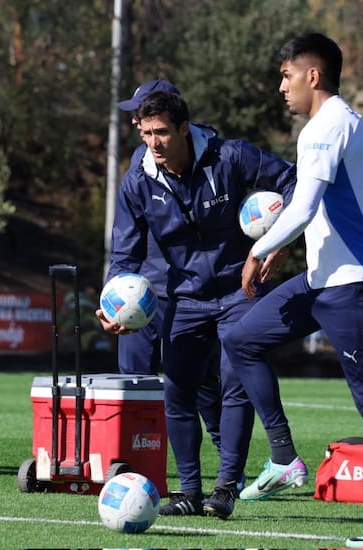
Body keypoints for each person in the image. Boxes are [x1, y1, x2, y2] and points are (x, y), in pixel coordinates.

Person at [222, 33, 363, 549]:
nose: (281, 86)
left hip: (351, 287)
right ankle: (284, 458)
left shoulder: (326, 126)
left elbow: (305, 205)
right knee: (241, 339)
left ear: (312, 76)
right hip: (327, 281)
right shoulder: (342, 123)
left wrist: (259, 249)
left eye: (286, 75)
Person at [97, 91, 295, 519]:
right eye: (147, 133)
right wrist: (113, 305)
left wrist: (279, 240)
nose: (153, 142)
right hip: (183, 298)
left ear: (184, 128)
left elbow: (294, 181)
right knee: (177, 391)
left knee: (234, 383)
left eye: (162, 132)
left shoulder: (231, 156)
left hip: (240, 290)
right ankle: (188, 492)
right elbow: (125, 255)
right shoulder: (138, 181)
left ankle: (225, 489)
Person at [116, 80, 225, 460]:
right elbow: (126, 239)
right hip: (142, 292)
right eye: (136, 117)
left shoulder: (214, 155)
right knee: (133, 380)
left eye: (141, 112)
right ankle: (136, 461)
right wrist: (116, 290)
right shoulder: (140, 161)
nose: (135, 121)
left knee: (202, 383)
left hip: (190, 293)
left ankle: (229, 461)